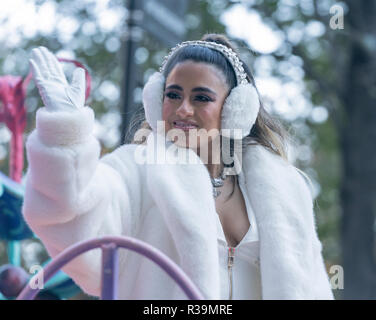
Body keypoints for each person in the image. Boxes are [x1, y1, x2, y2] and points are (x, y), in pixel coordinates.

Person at [22, 33, 334, 300]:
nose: (183, 109)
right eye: (173, 94)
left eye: (201, 97)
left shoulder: (286, 188)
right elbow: (70, 215)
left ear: (236, 109)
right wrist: (64, 135)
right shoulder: (137, 168)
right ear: (156, 99)